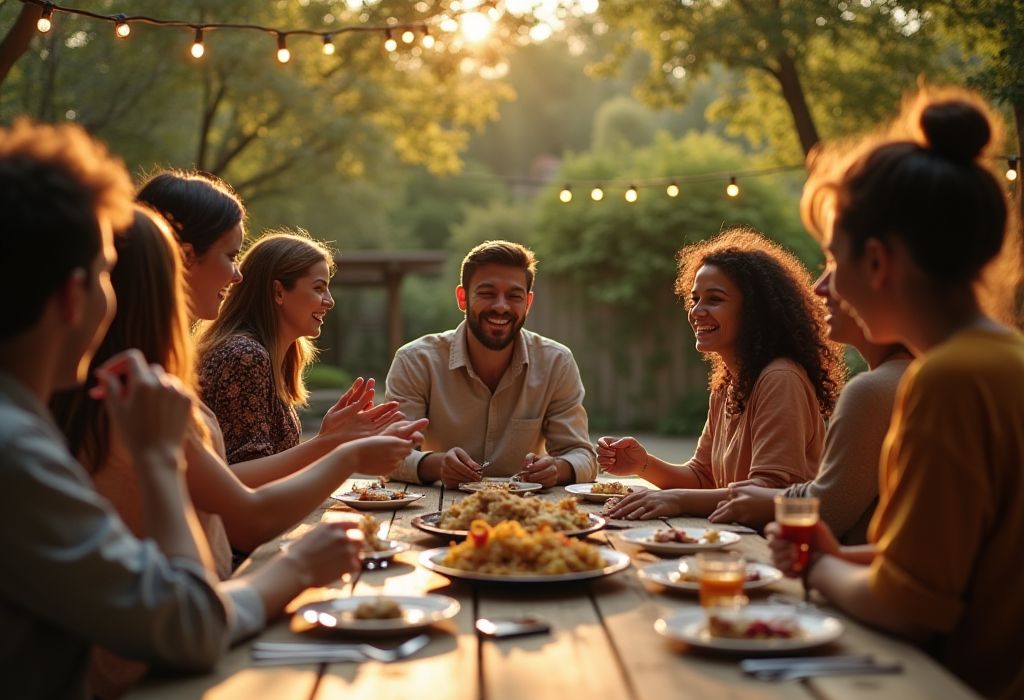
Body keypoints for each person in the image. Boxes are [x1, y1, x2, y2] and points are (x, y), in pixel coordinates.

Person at [0, 120, 353, 700]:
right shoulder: (15, 449)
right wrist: (297, 565)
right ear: (74, 295)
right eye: (108, 272)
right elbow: (187, 623)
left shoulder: (30, 421)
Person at [51, 204, 424, 700]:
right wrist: (341, 453)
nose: (237, 271)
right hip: (149, 669)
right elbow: (244, 517)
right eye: (228, 255)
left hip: (189, 624)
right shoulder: (153, 396)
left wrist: (333, 442)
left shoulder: (118, 400)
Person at [767, 87, 1024, 700]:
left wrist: (815, 566)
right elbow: (957, 560)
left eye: (833, 258)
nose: (828, 284)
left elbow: (907, 609)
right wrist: (839, 554)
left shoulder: (946, 381)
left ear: (877, 261)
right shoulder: (1003, 360)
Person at [139, 171, 400, 483]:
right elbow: (238, 485)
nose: (329, 301)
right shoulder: (244, 355)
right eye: (318, 288)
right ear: (278, 291)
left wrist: (332, 440)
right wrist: (333, 446)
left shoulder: (265, 356)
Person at [598, 228, 844, 519]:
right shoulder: (728, 382)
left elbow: (766, 490)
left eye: (714, 299)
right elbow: (703, 477)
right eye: (695, 300)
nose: (696, 311)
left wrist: (676, 500)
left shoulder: (780, 378)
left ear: (754, 310)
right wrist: (641, 465)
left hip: (772, 551)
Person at [710, 265, 911, 541]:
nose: (818, 287)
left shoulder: (872, 392)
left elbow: (828, 511)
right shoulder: (903, 380)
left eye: (835, 265)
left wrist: (771, 501)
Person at [383, 240, 598, 488]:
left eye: (514, 296)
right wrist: (437, 465)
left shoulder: (557, 362)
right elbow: (389, 456)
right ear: (463, 298)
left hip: (529, 514)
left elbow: (583, 456)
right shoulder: (415, 361)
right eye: (487, 293)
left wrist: (557, 469)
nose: (501, 306)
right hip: (437, 510)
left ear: (527, 303)